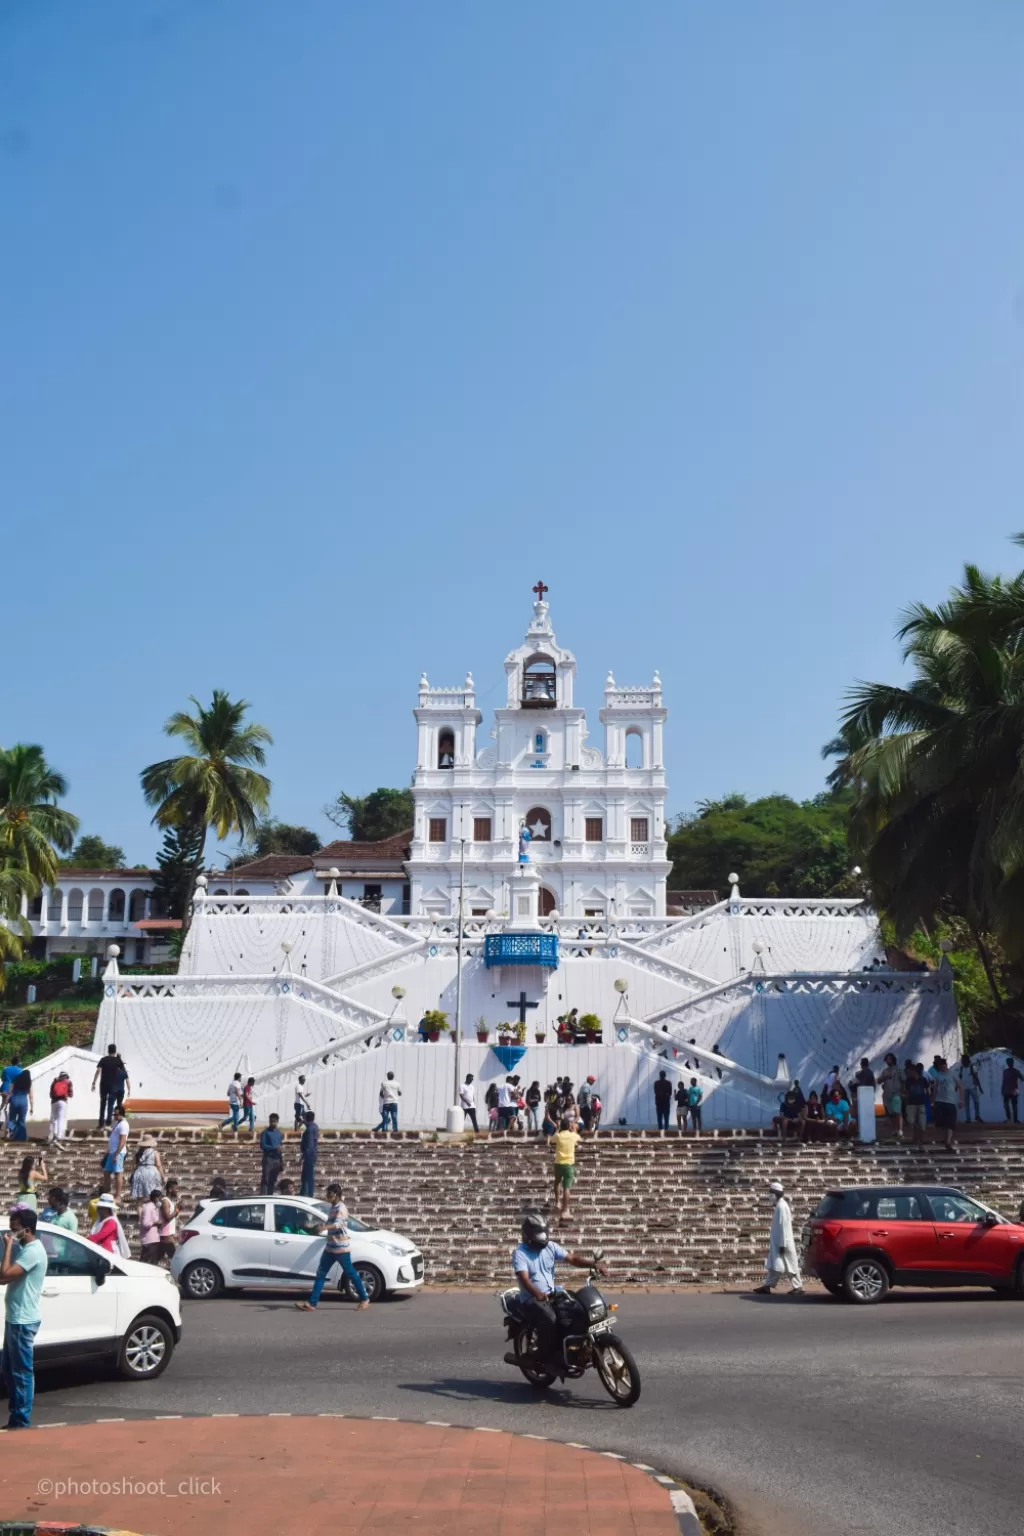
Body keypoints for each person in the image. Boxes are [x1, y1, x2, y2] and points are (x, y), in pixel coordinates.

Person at [504, 1213, 606, 1368]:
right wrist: (537, 1293)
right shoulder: (520, 1253)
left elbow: (572, 1259)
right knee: (550, 1319)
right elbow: (524, 1278)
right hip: (531, 1299)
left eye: (544, 1233)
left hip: (552, 1294)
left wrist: (593, 1264)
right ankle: (540, 1356)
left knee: (577, 1308)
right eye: (539, 1234)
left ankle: (574, 1345)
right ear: (528, 1235)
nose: (542, 1237)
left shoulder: (550, 1247)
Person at [0, 1207, 47, 1428]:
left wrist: (7, 1246)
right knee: (10, 1369)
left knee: (21, 1372)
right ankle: (16, 1413)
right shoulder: (27, 1248)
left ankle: (20, 1420)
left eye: (15, 1229)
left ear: (27, 1229)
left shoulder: (32, 1252)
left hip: (23, 1321)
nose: (11, 1233)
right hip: (15, 1318)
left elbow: (4, 1276)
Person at [295, 1182, 369, 1312]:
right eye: (327, 1193)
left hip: (341, 1248)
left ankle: (364, 1298)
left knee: (350, 1273)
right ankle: (312, 1303)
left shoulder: (341, 1208)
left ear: (337, 1195)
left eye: (329, 1194)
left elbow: (338, 1224)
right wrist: (315, 1227)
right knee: (321, 1274)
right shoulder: (332, 1208)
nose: (327, 1196)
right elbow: (330, 1223)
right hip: (330, 1247)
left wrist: (325, 1227)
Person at [753, 1182, 803, 1296]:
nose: (769, 1196)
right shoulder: (780, 1206)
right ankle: (767, 1286)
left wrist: (783, 1245)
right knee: (775, 1265)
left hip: (783, 1243)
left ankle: (798, 1287)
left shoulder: (782, 1207)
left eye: (771, 1193)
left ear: (776, 1194)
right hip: (779, 1243)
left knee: (790, 1266)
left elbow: (784, 1227)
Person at [928, 1056, 961, 1151]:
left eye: (943, 1066)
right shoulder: (938, 1075)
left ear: (946, 1065)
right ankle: (946, 1137)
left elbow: (960, 1087)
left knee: (950, 1123)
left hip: (950, 1101)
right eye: (940, 1067)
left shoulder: (953, 1074)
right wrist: (933, 1100)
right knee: (940, 1123)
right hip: (939, 1101)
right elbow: (935, 1088)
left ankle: (948, 1141)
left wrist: (961, 1100)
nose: (942, 1068)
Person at [551, 1116, 580, 1220]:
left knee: (557, 1182)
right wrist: (573, 1129)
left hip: (558, 1163)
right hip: (568, 1164)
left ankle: (558, 1202)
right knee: (566, 1188)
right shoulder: (572, 1136)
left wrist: (558, 1128)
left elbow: (552, 1139)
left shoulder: (558, 1136)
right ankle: (565, 1210)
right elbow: (578, 1137)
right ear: (568, 1126)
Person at [91, 1045, 124, 1129]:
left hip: (103, 1084)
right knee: (110, 1104)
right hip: (114, 1085)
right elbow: (123, 1071)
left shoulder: (103, 1059)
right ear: (115, 1051)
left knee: (103, 1103)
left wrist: (94, 1082)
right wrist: (119, 1058)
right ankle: (108, 1124)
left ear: (108, 1051)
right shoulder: (117, 1060)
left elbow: (98, 1070)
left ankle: (101, 1124)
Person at [102, 1107, 129, 1198]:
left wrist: (117, 1154)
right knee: (106, 1172)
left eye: (116, 1114)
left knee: (118, 1173)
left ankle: (118, 1196)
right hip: (112, 1151)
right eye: (114, 1114)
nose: (115, 1116)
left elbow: (123, 1140)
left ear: (122, 1114)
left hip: (118, 1152)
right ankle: (106, 1194)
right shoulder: (117, 1123)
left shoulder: (124, 1124)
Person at [130, 1135, 165, 1203]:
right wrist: (163, 1177)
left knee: (139, 1198)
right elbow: (158, 1165)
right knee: (152, 1195)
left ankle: (140, 1213)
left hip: (139, 1172)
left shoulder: (137, 1153)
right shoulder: (155, 1152)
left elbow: (133, 1166)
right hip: (152, 1172)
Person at [879, 1053, 904, 1140]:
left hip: (896, 1094)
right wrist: (884, 1077)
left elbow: (904, 1080)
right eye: (886, 1059)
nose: (887, 1061)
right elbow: (878, 1081)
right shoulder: (885, 1071)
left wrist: (902, 1091)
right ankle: (894, 1130)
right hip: (887, 1095)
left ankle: (900, 1130)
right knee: (891, 1113)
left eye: (889, 1059)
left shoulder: (899, 1070)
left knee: (898, 1112)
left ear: (892, 1059)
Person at [904, 1064, 930, 1149]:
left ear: (914, 1071)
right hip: (911, 1104)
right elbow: (906, 1092)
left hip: (921, 1103)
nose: (908, 1073)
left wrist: (930, 1100)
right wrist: (906, 1102)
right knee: (911, 1121)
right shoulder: (908, 1080)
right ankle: (916, 1137)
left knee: (922, 1125)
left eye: (909, 1072)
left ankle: (920, 1142)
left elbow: (928, 1090)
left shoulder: (923, 1079)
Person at [259, 1113, 284, 1194]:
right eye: (271, 1121)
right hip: (268, 1159)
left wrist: (281, 1161)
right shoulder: (265, 1133)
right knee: (266, 1179)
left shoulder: (279, 1133)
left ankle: (270, 1196)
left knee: (273, 1180)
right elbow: (262, 1146)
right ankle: (263, 1197)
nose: (272, 1123)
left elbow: (280, 1147)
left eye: (274, 1121)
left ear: (277, 1121)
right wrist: (273, 1148)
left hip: (277, 1159)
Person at [138, 1189, 164, 1265]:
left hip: (154, 1238)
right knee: (145, 1263)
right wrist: (156, 1222)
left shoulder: (155, 1208)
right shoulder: (148, 1207)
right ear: (156, 1198)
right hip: (149, 1239)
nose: (161, 1201)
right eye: (160, 1198)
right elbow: (145, 1223)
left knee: (152, 1263)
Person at [6, 1065, 32, 1142]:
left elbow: (9, 1093)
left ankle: (12, 1131)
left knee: (12, 1119)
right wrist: (32, 1107)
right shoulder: (29, 1083)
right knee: (21, 1120)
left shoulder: (15, 1080)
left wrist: (6, 1103)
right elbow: (31, 1096)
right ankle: (22, 1137)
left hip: (14, 1100)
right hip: (23, 1102)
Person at [47, 1071, 73, 1143]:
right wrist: (66, 1094)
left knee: (54, 1120)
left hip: (54, 1102)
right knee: (61, 1119)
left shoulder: (54, 1082)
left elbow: (51, 1095)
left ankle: (52, 1136)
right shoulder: (68, 1082)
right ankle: (59, 1136)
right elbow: (71, 1095)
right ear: (66, 1076)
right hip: (63, 1102)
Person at [958, 1053, 983, 1124]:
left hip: (972, 1087)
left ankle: (977, 1116)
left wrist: (980, 1087)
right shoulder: (961, 1068)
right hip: (965, 1088)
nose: (962, 1062)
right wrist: (957, 1086)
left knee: (976, 1102)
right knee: (966, 1103)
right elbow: (959, 1078)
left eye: (963, 1060)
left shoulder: (972, 1067)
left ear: (966, 1060)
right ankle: (968, 1118)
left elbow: (976, 1077)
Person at [300, 1110, 319, 1197]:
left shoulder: (309, 1130)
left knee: (308, 1177)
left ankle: (308, 1194)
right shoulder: (314, 1126)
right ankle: (304, 1192)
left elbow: (310, 1145)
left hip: (309, 1155)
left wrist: (303, 1156)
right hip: (312, 1154)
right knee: (305, 1176)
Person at [0, 1054, 23, 1128]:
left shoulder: (6, 1069)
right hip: (14, 1090)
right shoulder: (20, 1071)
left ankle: (1, 1120)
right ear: (18, 1062)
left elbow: (2, 1079)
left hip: (4, 1088)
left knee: (3, 1105)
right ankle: (9, 1126)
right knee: (12, 1108)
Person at [1002, 1057, 1022, 1123]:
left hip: (1012, 1090)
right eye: (1008, 1063)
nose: (1009, 1064)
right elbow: (1003, 1081)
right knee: (1010, 1105)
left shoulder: (1013, 1071)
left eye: (1010, 1063)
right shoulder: (1007, 1071)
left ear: (1012, 1063)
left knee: (1012, 1105)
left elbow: (1022, 1078)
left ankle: (1012, 1119)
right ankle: (1011, 1119)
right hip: (1009, 1090)